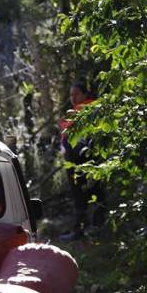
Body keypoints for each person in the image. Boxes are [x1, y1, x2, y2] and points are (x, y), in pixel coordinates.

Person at [58, 81, 104, 238]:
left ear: (85, 94)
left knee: (83, 193)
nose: (73, 97)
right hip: (79, 158)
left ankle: (84, 230)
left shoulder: (89, 108)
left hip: (82, 158)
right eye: (71, 95)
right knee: (89, 193)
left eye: (76, 94)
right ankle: (92, 229)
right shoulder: (77, 110)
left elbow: (68, 131)